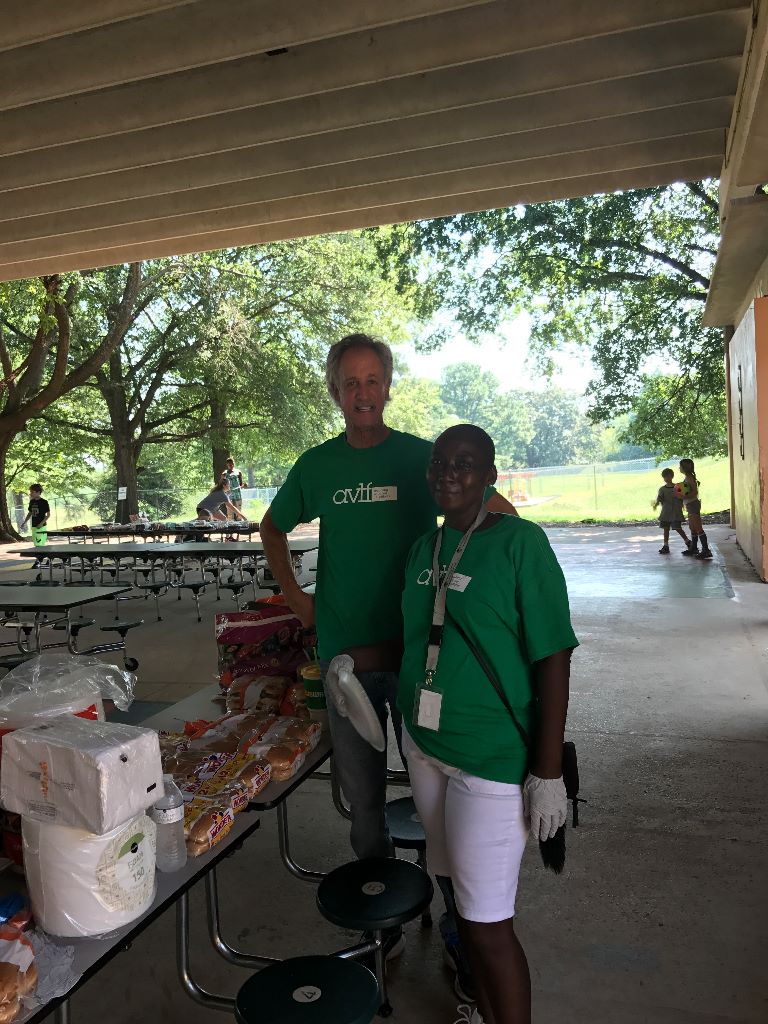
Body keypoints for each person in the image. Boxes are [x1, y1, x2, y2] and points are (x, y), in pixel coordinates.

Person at [260, 333, 517, 978]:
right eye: (350, 382)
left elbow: (489, 508)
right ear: (335, 392)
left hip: (421, 657)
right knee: (363, 803)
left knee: (443, 795)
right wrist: (298, 601)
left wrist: (503, 587)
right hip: (346, 662)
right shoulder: (317, 466)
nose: (362, 393)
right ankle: (385, 925)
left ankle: (462, 923)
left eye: (373, 380)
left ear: (389, 385)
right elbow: (272, 525)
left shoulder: (418, 461)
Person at [398, 424, 578, 1024]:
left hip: (490, 755)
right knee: (459, 899)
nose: (449, 472)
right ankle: (479, 1005)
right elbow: (417, 638)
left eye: (466, 463)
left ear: (489, 476)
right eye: (440, 462)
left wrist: (547, 771)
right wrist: (347, 667)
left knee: (489, 923)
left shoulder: (522, 544)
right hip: (423, 745)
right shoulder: (423, 550)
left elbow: (553, 654)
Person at [678, 458, 712, 559]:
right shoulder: (687, 477)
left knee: (698, 528)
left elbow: (695, 492)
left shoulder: (689, 478)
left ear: (684, 468)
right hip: (690, 505)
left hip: (693, 504)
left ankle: (706, 550)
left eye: (680, 466)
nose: (679, 468)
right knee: (692, 528)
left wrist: (684, 497)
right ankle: (694, 548)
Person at [652, 468, 690, 555]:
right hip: (666, 512)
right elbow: (659, 499)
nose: (666, 478)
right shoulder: (662, 489)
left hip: (676, 512)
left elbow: (683, 497)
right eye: (664, 477)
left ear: (672, 476)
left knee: (678, 528)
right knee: (666, 529)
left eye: (668, 476)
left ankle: (688, 542)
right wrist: (656, 504)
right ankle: (666, 546)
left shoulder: (678, 487)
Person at [21, 484, 50, 554]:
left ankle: (39, 561)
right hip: (34, 526)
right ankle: (42, 559)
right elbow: (30, 513)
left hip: (41, 527)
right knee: (37, 545)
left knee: (40, 545)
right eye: (30, 492)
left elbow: (48, 515)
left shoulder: (44, 502)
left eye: (32, 492)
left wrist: (41, 524)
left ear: (38, 492)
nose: (30, 494)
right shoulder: (32, 502)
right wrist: (24, 522)